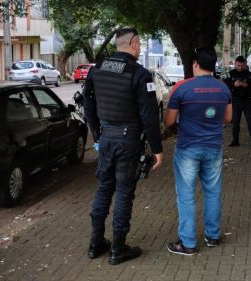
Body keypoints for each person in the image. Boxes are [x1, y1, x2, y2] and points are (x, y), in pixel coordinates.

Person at [83, 28, 163, 265]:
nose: (141, 49)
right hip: (128, 142)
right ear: (135, 44)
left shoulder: (97, 70)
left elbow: (88, 105)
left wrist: (97, 134)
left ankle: (95, 244)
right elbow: (149, 115)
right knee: (124, 193)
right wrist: (157, 149)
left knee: (104, 189)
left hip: (106, 139)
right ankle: (118, 249)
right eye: (140, 45)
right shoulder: (139, 74)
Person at [164, 47, 232, 256]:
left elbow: (169, 121)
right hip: (213, 147)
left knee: (186, 196)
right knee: (213, 192)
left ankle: (188, 243)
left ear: (195, 64)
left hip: (188, 149)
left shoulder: (182, 88)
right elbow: (228, 119)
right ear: (213, 66)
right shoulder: (224, 89)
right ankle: (212, 236)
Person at [224, 56, 251, 148]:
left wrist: (246, 85)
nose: (240, 67)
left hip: (247, 100)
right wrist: (234, 84)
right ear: (235, 63)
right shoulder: (230, 74)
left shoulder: (250, 74)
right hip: (235, 100)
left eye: (242, 65)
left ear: (245, 64)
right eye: (238, 65)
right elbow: (225, 85)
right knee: (235, 122)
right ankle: (235, 141)